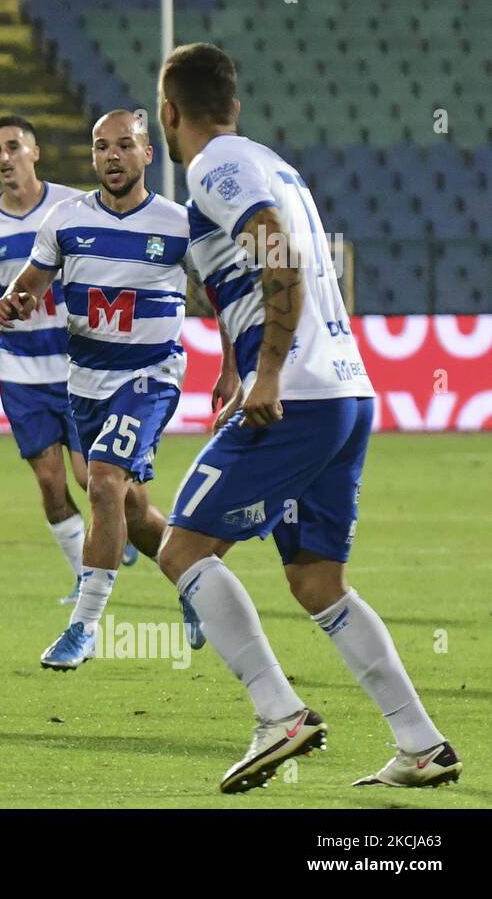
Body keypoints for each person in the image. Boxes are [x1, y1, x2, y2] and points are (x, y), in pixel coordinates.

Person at [154, 42, 461, 791]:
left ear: (169, 112)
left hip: (297, 395)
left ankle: (278, 713)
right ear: (236, 103)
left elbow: (280, 259)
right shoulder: (271, 164)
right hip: (345, 389)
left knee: (181, 550)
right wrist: (241, 362)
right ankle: (420, 745)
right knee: (318, 581)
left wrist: (266, 372)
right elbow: (273, 273)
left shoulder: (215, 170)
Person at [0, 109, 213, 670]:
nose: (112, 156)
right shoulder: (66, 221)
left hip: (151, 375)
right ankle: (198, 585)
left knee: (104, 482)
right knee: (130, 504)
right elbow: (32, 282)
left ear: (147, 153)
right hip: (86, 380)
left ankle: (83, 627)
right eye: (101, 148)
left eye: (124, 145)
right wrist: (14, 301)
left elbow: (222, 298)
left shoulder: (177, 224)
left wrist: (236, 369)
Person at [0, 115, 94, 604]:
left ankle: (119, 531)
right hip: (20, 368)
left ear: (34, 152)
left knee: (91, 478)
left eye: (13, 146)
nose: (4, 157)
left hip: (77, 364)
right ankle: (85, 575)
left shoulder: (73, 205)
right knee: (51, 482)